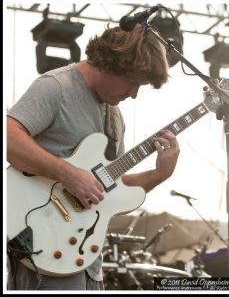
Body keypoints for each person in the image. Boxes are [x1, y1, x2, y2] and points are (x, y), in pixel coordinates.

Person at [7, 23, 180, 290]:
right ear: (112, 64)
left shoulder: (115, 116)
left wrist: (159, 174)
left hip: (87, 259)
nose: (134, 94)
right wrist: (68, 174)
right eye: (133, 83)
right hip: (42, 246)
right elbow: (8, 136)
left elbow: (112, 190)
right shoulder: (56, 87)